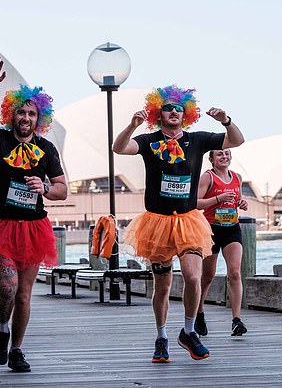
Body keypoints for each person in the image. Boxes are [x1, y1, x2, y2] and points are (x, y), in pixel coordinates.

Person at [112, 84, 244, 363]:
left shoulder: (197, 140)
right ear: (157, 113)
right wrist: (132, 125)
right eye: (168, 107)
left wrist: (226, 121)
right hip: (157, 223)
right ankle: (161, 337)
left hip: (188, 221)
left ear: (187, 114)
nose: (174, 111)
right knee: (162, 286)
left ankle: (188, 331)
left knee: (194, 277)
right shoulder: (149, 141)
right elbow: (119, 147)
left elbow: (236, 141)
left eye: (179, 108)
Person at [0, 56, 67, 373]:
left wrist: (45, 188)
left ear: (39, 118)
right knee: (7, 286)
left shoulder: (47, 149)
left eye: (31, 113)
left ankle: (17, 350)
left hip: (34, 227)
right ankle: (1, 329)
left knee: (24, 295)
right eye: (21, 112)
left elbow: (63, 189)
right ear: (12, 115)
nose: (26, 117)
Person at [195, 149, 248, 336]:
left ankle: (236, 320)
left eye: (226, 154)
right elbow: (196, 203)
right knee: (208, 275)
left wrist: (242, 203)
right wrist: (218, 198)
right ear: (211, 159)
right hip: (211, 229)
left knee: (234, 272)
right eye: (219, 155)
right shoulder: (207, 177)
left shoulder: (237, 177)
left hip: (232, 228)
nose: (224, 157)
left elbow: (236, 200)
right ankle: (199, 311)